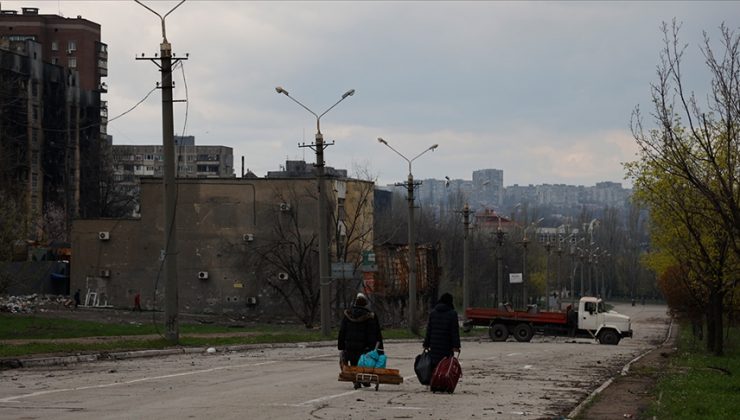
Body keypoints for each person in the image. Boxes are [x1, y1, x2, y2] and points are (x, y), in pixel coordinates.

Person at [338, 293, 384, 388]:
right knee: (363, 363)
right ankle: (363, 379)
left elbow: (342, 331)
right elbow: (375, 333)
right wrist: (378, 349)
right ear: (365, 304)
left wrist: (341, 345)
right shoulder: (370, 316)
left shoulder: (348, 315)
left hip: (349, 346)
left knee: (353, 363)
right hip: (364, 346)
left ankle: (356, 379)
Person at [423, 292, 461, 371]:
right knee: (445, 368)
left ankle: (435, 380)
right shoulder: (452, 314)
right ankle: (442, 381)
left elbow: (429, 330)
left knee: (434, 367)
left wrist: (426, 344)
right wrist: (456, 346)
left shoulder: (433, 313)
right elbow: (454, 332)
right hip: (446, 348)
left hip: (434, 347)